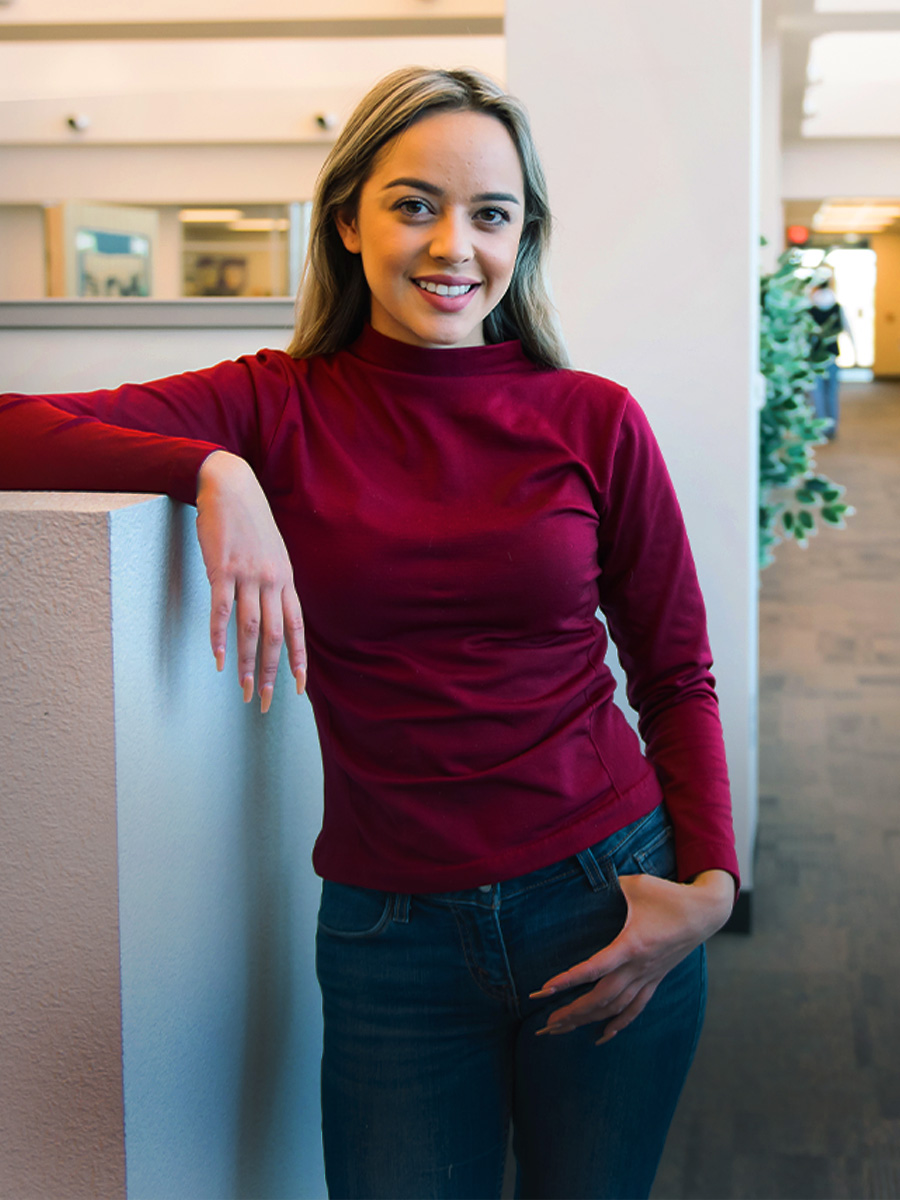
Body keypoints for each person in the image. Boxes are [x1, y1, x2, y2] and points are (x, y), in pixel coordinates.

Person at [0, 67, 738, 1200]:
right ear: (346, 220)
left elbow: (676, 671)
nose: (454, 245)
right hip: (392, 939)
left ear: (522, 235)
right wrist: (210, 465)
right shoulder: (273, 403)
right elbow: (17, 427)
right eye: (413, 204)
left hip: (606, 893)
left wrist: (712, 889)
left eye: (491, 214)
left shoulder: (592, 417)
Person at [808, 272, 853, 439]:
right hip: (832, 355)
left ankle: (821, 425)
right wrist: (853, 350)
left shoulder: (811, 308)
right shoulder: (836, 306)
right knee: (831, 392)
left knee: (816, 393)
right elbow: (847, 328)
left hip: (814, 357)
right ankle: (832, 427)